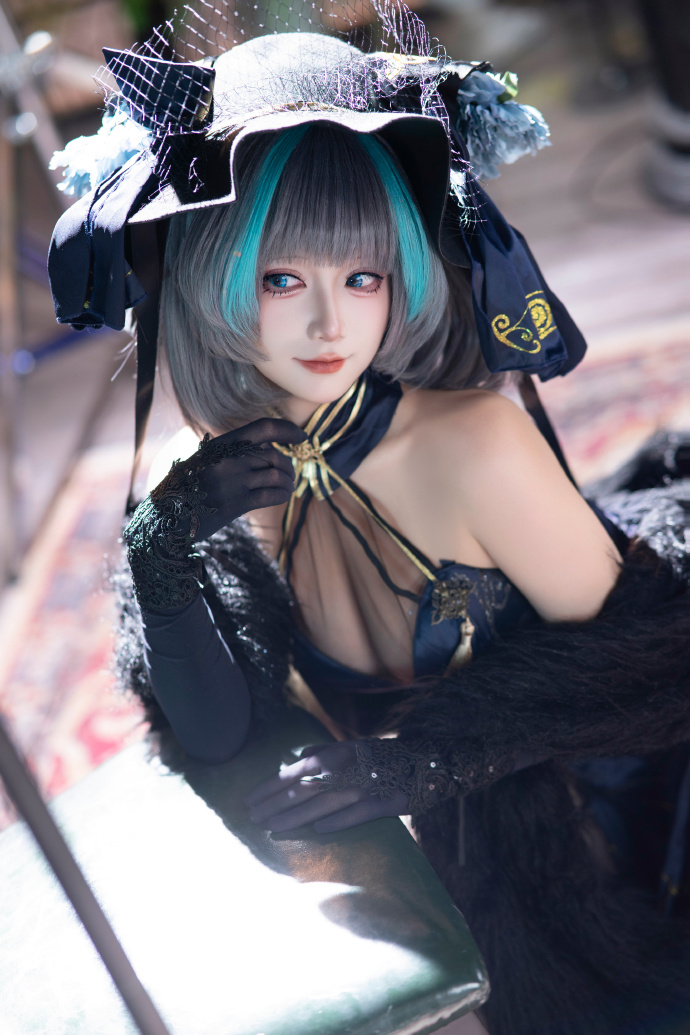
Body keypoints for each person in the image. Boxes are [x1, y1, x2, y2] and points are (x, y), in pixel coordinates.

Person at [48, 8, 690, 1034]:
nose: (328, 323)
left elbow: (665, 670)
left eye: (363, 277)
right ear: (212, 279)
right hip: (442, 872)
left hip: (622, 843)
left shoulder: (475, 445)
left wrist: (440, 755)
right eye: (281, 278)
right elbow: (217, 738)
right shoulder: (198, 477)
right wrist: (158, 553)